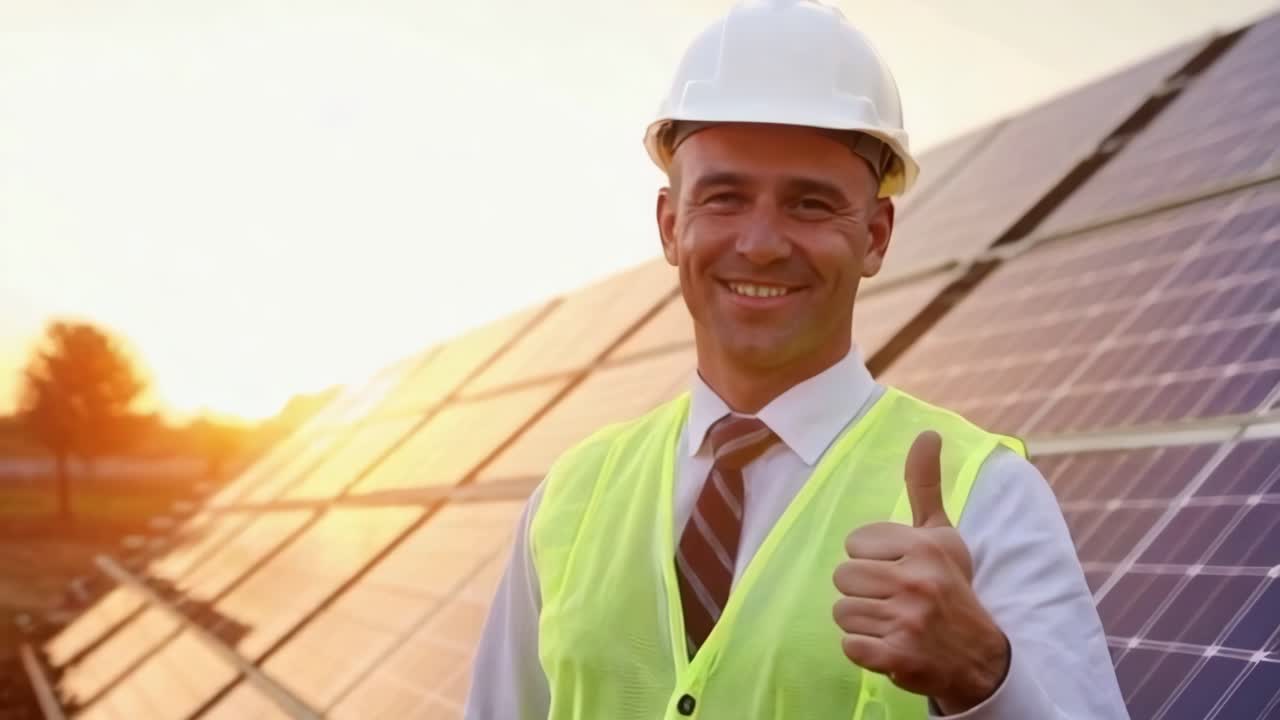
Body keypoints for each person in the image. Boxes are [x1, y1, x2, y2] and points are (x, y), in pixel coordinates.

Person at [464, 1, 1128, 717]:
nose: (761, 243)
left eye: (810, 205)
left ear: (875, 236)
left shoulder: (988, 498)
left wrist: (982, 681)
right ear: (669, 225)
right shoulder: (570, 498)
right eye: (723, 198)